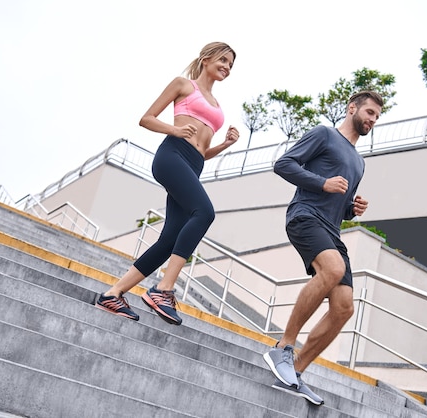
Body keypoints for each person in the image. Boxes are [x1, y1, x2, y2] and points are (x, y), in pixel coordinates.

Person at [96, 42, 240, 326]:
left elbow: (202, 151)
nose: (227, 67)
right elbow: (146, 119)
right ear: (206, 59)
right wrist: (174, 129)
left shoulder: (217, 105)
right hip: (171, 156)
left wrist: (224, 144)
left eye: (231, 65)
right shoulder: (184, 85)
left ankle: (113, 294)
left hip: (193, 164)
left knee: (169, 239)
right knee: (205, 213)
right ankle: (163, 289)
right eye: (223, 60)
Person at [263, 91, 384, 405]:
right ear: (352, 108)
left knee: (344, 307)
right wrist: (322, 182)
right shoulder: (324, 135)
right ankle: (283, 349)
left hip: (332, 229)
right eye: (369, 112)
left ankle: (295, 374)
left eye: (376, 117)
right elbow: (283, 164)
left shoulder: (359, 162)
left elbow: (340, 206)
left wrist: (352, 209)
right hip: (305, 216)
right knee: (333, 269)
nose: (371, 120)